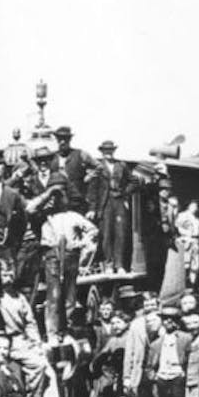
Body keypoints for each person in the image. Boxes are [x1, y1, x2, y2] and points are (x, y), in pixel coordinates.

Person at [0, 257, 65, 397]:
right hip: (7, 340)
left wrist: (37, 343)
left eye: (10, 273)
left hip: (23, 341)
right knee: (38, 365)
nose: (8, 277)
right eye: (4, 274)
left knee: (49, 370)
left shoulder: (19, 298)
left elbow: (30, 323)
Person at [34, 182, 98, 342]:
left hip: (70, 255)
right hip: (52, 255)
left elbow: (93, 230)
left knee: (70, 296)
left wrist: (82, 243)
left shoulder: (73, 216)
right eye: (55, 197)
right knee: (54, 295)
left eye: (62, 197)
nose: (59, 201)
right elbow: (31, 209)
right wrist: (48, 194)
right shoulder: (45, 216)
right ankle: (52, 333)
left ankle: (65, 329)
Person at [86, 140, 133, 272]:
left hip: (118, 201)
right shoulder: (98, 167)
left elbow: (133, 181)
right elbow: (93, 189)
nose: (108, 153)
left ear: (114, 151)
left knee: (120, 233)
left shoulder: (121, 165)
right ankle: (108, 264)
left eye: (110, 151)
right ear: (102, 152)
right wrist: (92, 208)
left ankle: (119, 265)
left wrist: (125, 192)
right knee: (106, 234)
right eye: (105, 151)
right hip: (105, 203)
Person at [0, 147, 28, 267]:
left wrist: (11, 240)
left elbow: (21, 222)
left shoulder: (12, 194)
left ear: (4, 167)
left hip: (5, 246)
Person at [51, 125, 98, 214]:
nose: (62, 142)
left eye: (65, 139)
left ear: (70, 140)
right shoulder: (52, 157)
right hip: (58, 200)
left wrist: (90, 175)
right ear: (57, 140)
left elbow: (98, 166)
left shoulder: (80, 154)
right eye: (60, 139)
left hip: (77, 200)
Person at [175, 200, 199, 289]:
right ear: (189, 206)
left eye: (196, 206)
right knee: (185, 264)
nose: (195, 208)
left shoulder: (197, 219)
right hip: (186, 241)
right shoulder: (182, 215)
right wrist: (185, 234)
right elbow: (177, 227)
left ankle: (192, 285)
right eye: (193, 206)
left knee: (195, 265)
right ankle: (183, 285)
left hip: (196, 242)